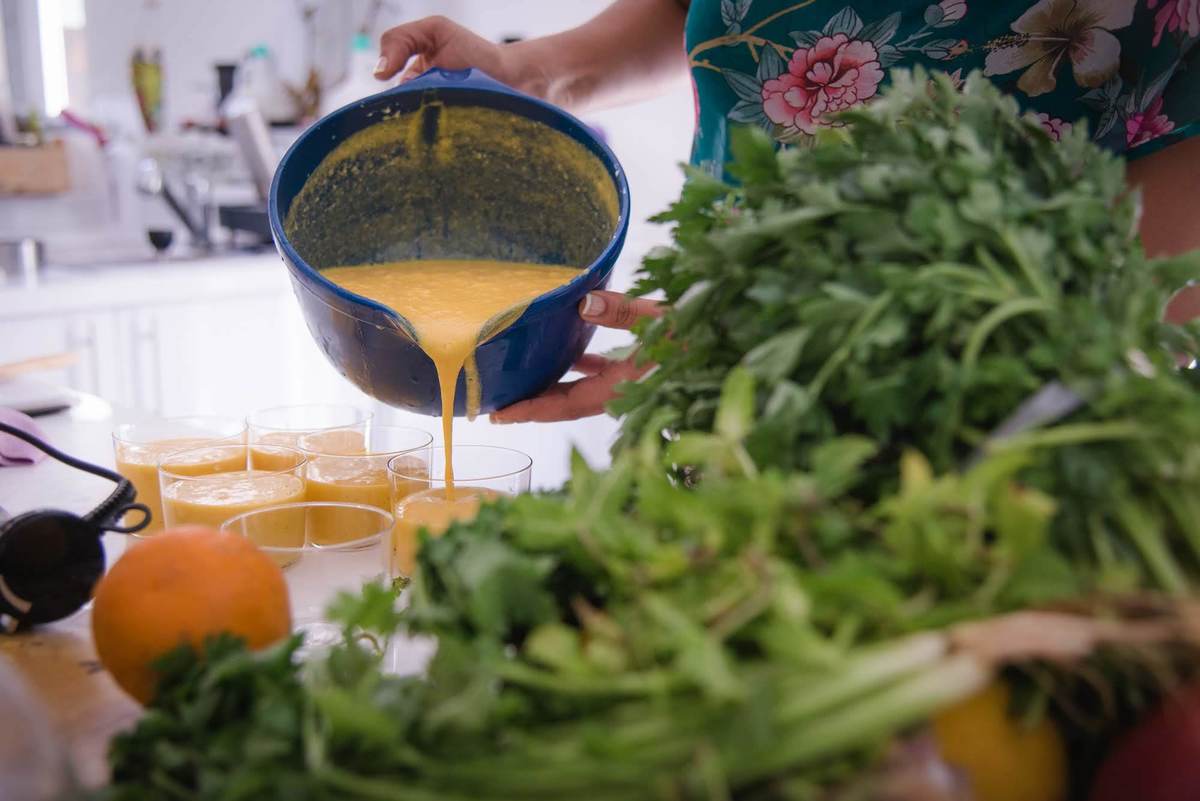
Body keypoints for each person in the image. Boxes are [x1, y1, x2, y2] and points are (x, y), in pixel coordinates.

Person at [373, 0, 1200, 423]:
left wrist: (798, 360)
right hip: (719, 381)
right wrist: (529, 75)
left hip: (1006, 428)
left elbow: (1160, 302)